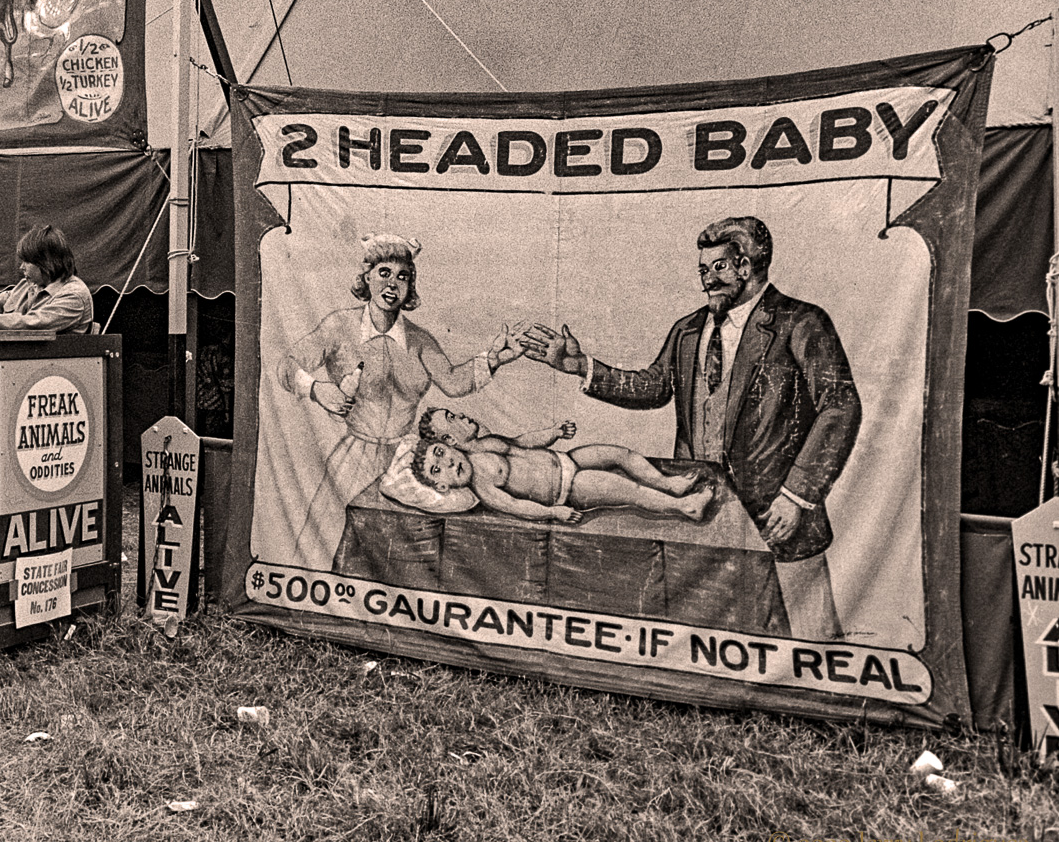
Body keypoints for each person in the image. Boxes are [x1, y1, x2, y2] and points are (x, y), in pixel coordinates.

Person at [520, 216, 862, 640]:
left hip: (777, 512)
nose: (708, 280)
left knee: (813, 638)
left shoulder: (801, 322)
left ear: (747, 265)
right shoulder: (688, 330)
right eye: (703, 270)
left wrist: (798, 496)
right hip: (705, 507)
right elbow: (653, 386)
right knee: (713, 631)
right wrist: (579, 366)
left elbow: (840, 407)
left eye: (719, 267)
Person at [278, 233, 521, 570]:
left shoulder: (420, 341)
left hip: (406, 463)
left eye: (402, 276)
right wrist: (319, 391)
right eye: (384, 273)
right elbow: (287, 367)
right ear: (366, 277)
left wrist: (493, 359)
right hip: (353, 459)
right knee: (326, 548)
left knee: (400, 559)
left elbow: (452, 382)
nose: (392, 284)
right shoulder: (339, 326)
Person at [412, 407, 715, 522]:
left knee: (621, 454)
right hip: (567, 489)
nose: (461, 416)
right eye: (451, 420)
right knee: (628, 490)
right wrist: (552, 512)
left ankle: (668, 484)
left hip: (567, 460)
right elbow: (516, 507)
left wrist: (553, 433)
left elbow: (523, 442)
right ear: (449, 440)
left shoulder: (485, 444)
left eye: (452, 412)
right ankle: (685, 507)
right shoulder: (481, 481)